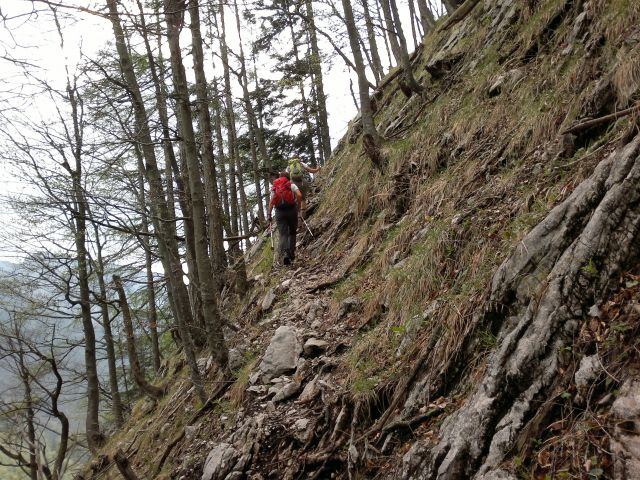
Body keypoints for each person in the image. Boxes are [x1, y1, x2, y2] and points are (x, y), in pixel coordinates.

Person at [267, 172, 303, 266]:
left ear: (280, 177)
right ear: (288, 177)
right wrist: (298, 206)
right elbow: (299, 195)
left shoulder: (274, 187)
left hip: (279, 212)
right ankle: (291, 252)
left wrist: (269, 214)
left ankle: (286, 254)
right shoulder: (291, 184)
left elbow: (271, 202)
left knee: (283, 234)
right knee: (292, 232)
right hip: (291, 210)